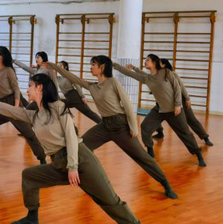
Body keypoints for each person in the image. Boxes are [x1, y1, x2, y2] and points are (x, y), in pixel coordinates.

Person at [0, 73, 162, 224]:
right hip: (59, 163)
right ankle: (32, 217)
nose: (27, 90)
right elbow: (12, 111)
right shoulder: (34, 115)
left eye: (30, 85)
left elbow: (71, 137)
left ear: (40, 87)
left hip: (81, 161)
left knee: (110, 202)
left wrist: (73, 167)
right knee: (30, 176)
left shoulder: (59, 107)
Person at [48, 56, 177, 199]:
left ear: (102, 67)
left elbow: (127, 104)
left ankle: (166, 184)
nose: (91, 67)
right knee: (81, 147)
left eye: (93, 64)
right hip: (105, 126)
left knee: (142, 157)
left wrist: (133, 126)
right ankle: (91, 178)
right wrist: (53, 66)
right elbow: (72, 77)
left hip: (121, 126)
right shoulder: (92, 86)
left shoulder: (113, 82)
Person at [114, 56, 206, 166]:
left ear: (154, 62)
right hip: (159, 109)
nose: (145, 61)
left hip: (173, 110)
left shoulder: (166, 72)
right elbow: (130, 73)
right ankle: (150, 151)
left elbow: (177, 88)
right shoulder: (148, 78)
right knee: (145, 127)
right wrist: (115, 65)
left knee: (185, 133)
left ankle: (198, 155)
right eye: (145, 60)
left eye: (148, 60)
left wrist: (178, 104)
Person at [149, 59, 213, 147]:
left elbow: (181, 87)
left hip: (179, 101)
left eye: (158, 63)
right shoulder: (156, 76)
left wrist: (187, 98)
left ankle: (205, 138)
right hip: (165, 102)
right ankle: (160, 133)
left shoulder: (172, 74)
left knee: (191, 119)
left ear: (164, 65)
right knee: (156, 117)